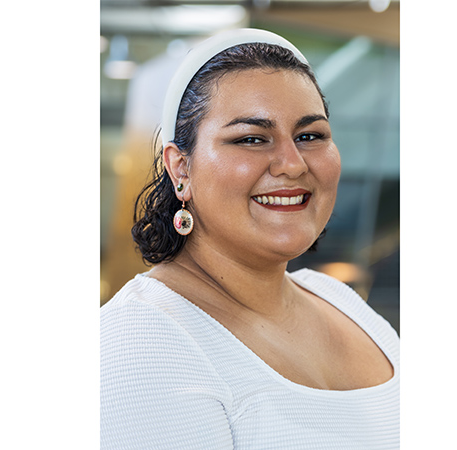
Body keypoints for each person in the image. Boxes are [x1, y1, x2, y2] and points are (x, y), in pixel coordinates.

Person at [100, 28, 400, 449]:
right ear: (181, 168)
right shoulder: (141, 343)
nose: (292, 164)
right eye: (251, 139)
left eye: (310, 136)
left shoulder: (342, 302)